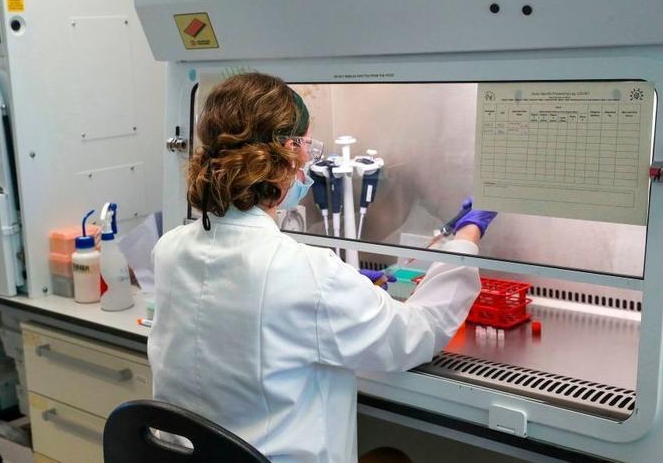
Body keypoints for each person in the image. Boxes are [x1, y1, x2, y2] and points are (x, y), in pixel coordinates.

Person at [149, 72, 496, 463]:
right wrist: (465, 241)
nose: (307, 166)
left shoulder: (170, 249)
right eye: (307, 148)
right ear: (285, 155)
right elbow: (415, 336)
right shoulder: (304, 273)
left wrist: (343, 289)